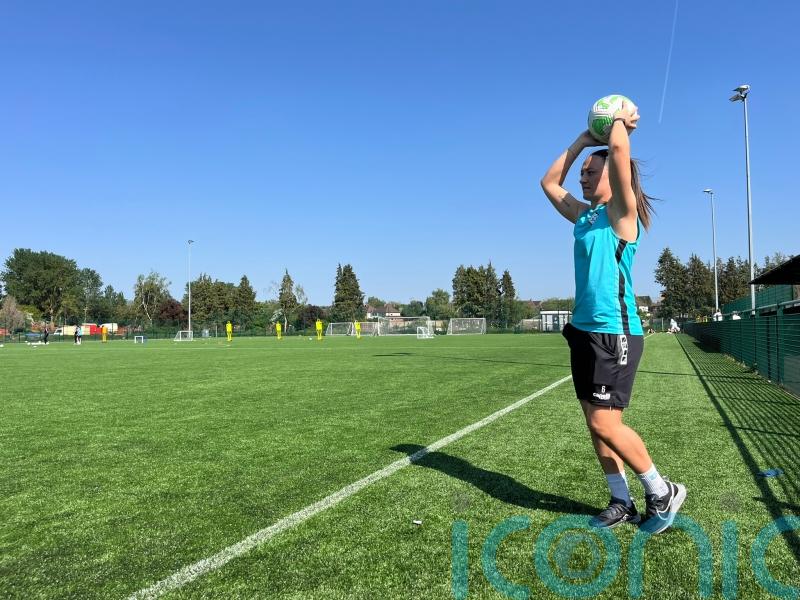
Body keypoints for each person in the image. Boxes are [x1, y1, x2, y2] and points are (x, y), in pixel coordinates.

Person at [540, 102, 685, 534]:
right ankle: (621, 500)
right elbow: (548, 183)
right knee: (595, 423)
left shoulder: (622, 214)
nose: (582, 177)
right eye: (582, 172)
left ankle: (661, 489)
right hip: (583, 332)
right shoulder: (584, 217)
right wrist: (583, 142)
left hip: (614, 332)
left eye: (590, 171)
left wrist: (618, 121)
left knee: (605, 421)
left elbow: (620, 153)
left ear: (612, 178)